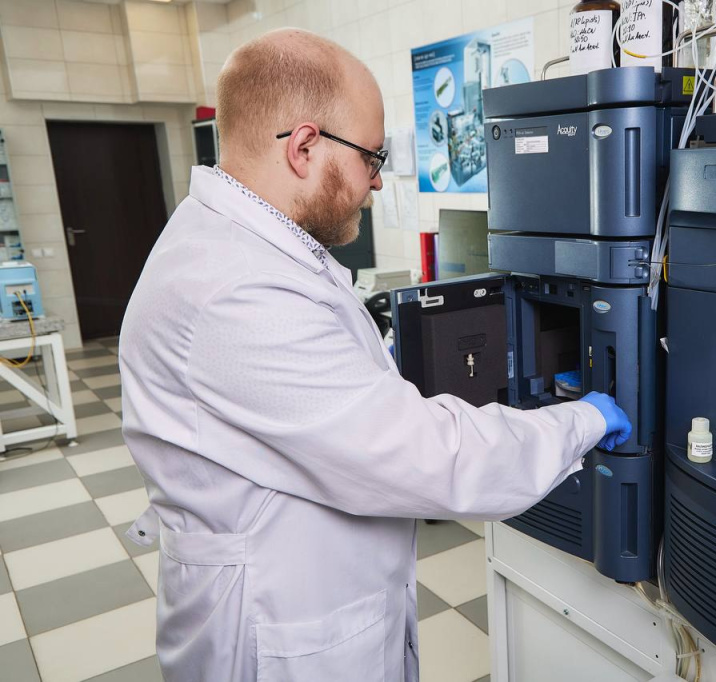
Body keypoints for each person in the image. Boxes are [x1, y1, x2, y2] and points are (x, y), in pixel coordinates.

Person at [118, 28, 631, 682]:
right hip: (278, 631)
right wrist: (581, 421)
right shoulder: (235, 291)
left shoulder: (238, 246)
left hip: (301, 591)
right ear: (305, 146)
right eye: (372, 156)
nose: (378, 181)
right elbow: (427, 458)